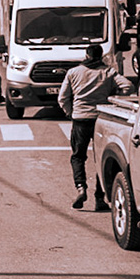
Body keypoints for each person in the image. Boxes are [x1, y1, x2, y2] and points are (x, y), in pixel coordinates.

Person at [57, 43, 131, 210]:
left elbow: (62, 98)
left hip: (80, 119)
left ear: (86, 55)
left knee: (78, 156)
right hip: (101, 119)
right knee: (101, 158)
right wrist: (115, 97)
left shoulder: (74, 72)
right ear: (101, 56)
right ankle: (100, 197)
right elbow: (128, 86)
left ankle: (81, 188)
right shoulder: (108, 72)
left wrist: (70, 112)